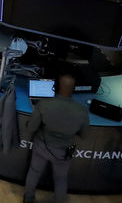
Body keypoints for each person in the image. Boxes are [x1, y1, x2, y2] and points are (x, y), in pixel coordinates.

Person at [23, 73, 89, 203]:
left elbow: (32, 128)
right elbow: (85, 135)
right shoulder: (82, 110)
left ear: (56, 87)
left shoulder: (44, 104)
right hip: (64, 152)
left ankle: (28, 199)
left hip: (42, 147)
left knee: (34, 172)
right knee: (60, 179)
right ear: (74, 89)